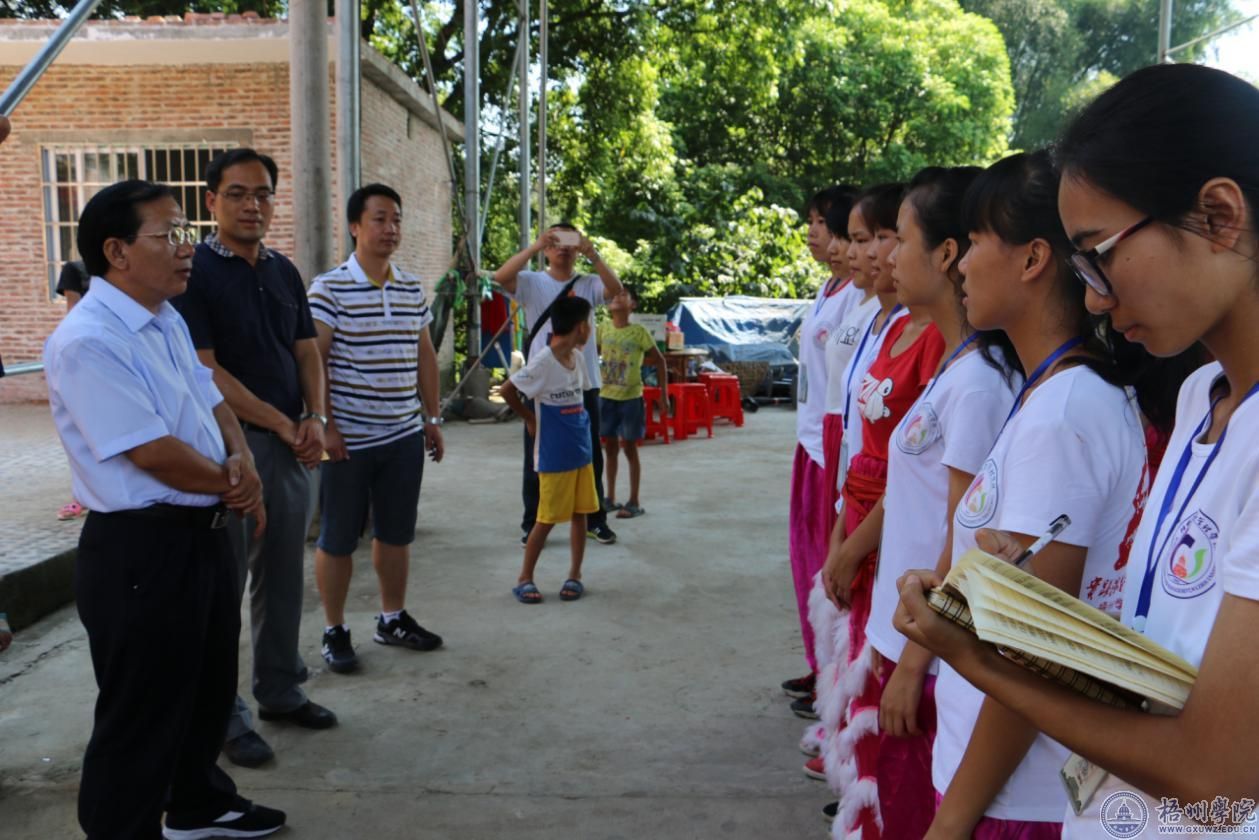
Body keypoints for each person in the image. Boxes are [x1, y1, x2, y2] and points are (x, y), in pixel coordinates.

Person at [896, 63, 1259, 836]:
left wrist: (976, 658)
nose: (1092, 295)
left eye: (1097, 252)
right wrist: (1017, 612)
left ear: (1218, 217)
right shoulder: (1201, 398)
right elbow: (1167, 648)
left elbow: (1217, 777)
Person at [904, 150, 1155, 838]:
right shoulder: (1055, 394)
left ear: (1032, 258)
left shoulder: (1061, 415)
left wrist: (952, 819)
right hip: (1010, 784)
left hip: (1018, 798)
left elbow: (1035, 653)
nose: (957, 264)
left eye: (976, 242)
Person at [43, 179, 284, 838]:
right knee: (140, 716)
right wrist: (234, 483)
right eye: (168, 235)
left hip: (201, 532)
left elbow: (209, 398)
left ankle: (198, 804)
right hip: (140, 549)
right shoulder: (87, 340)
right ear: (117, 251)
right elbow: (148, 451)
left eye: (183, 233)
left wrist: (241, 468)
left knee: (206, 689)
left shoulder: (164, 315)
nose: (185, 249)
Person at [849, 166, 1021, 837]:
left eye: (901, 238)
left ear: (945, 255)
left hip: (926, 643)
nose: (887, 256)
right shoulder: (954, 365)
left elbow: (964, 534)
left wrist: (914, 659)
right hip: (910, 631)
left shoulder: (977, 383)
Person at [173, 148, 336, 769]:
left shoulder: (284, 270)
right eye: (238, 193)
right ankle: (225, 714)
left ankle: (279, 689)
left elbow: (307, 353)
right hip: (229, 451)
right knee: (224, 584)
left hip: (292, 445)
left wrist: (315, 420)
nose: (252, 204)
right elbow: (206, 372)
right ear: (211, 201)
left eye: (263, 193)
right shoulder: (196, 275)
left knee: (283, 574)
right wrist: (282, 422)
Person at [307, 184, 446, 674]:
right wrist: (326, 426)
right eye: (380, 219)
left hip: (403, 435)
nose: (391, 230)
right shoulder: (329, 288)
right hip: (349, 442)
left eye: (397, 220)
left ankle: (391, 619)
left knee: (396, 534)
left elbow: (424, 355)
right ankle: (335, 628)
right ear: (354, 226)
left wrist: (431, 419)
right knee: (338, 538)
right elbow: (314, 361)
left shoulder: (411, 287)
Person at [782, 185, 864, 719]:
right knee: (807, 562)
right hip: (813, 439)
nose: (814, 233)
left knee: (828, 565)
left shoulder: (859, 295)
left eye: (822, 223)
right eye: (812, 222)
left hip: (833, 444)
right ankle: (821, 667)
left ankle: (834, 678)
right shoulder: (829, 288)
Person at [493, 223, 623, 547]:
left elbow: (615, 288)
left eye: (568, 241)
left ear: (577, 246)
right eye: (555, 241)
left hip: (584, 381)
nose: (561, 247)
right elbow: (500, 277)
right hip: (542, 386)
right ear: (546, 247)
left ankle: (595, 519)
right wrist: (534, 248)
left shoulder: (589, 283)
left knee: (590, 452)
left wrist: (592, 254)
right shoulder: (532, 281)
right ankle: (532, 521)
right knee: (537, 456)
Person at [500, 296, 598, 605]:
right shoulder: (543, 361)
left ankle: (575, 574)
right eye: (591, 324)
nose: (591, 329)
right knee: (546, 518)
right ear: (581, 327)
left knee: (581, 513)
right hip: (554, 455)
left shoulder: (578, 358)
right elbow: (507, 390)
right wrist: (529, 418)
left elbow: (577, 400)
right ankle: (524, 578)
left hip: (580, 451)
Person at [597, 285, 667, 518]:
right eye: (614, 294)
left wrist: (663, 395)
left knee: (629, 448)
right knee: (610, 448)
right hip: (606, 397)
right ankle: (610, 497)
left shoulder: (639, 332)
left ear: (633, 305)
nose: (617, 297)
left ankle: (634, 500)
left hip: (630, 399)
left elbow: (660, 361)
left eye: (623, 294)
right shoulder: (602, 329)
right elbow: (587, 355)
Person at [55, 259, 92, 521]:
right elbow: (73, 310)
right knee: (81, 431)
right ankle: (81, 496)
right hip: (85, 355)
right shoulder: (74, 270)